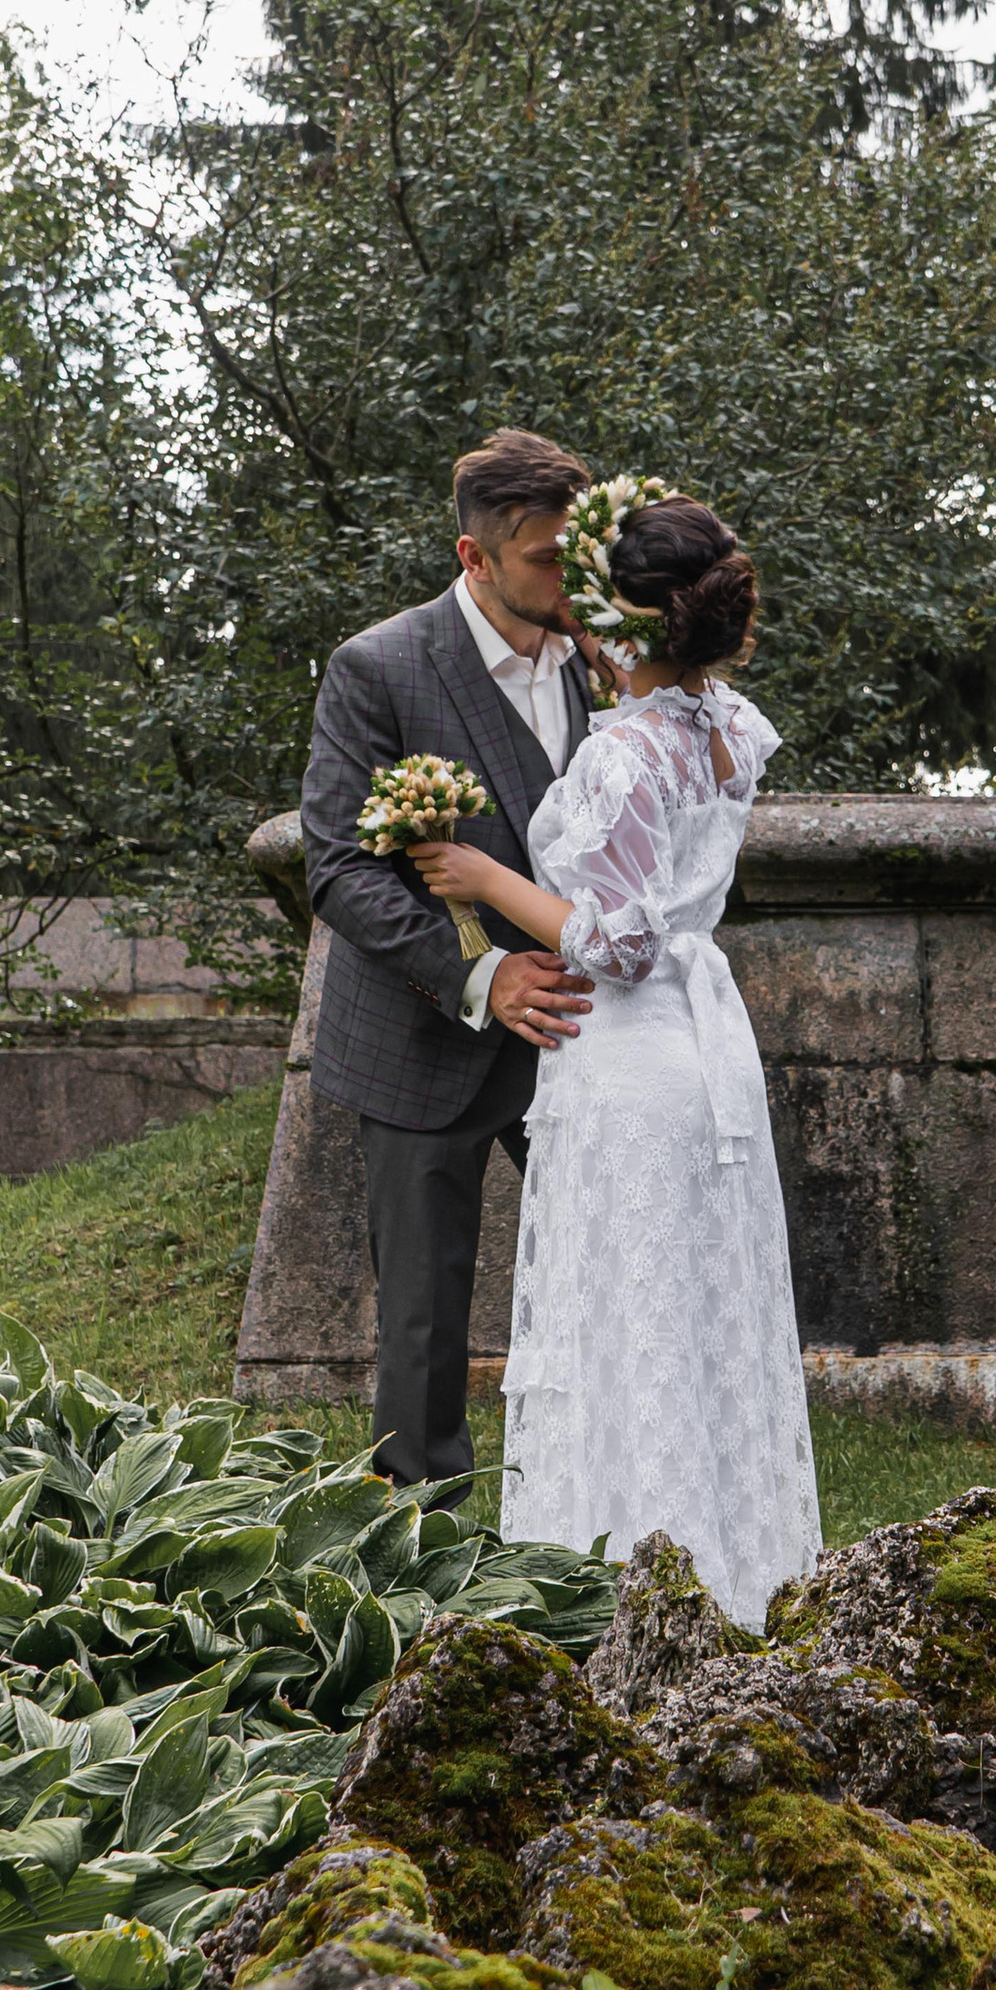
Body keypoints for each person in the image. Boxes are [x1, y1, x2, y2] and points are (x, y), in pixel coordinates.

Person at [410, 494, 822, 1623]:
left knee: (631, 1321)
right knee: (694, 1315)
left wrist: (484, 880)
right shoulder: (726, 725)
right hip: (703, 1055)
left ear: (617, 626)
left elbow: (626, 943)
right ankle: (724, 1574)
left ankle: (631, 1591)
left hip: (631, 1057)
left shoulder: (629, 755)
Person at [299, 432, 599, 1485]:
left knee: (605, 1282)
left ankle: (585, 1509)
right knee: (424, 1326)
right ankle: (417, 1564)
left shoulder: (594, 662)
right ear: (474, 559)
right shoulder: (378, 667)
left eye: (579, 549)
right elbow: (338, 868)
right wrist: (481, 975)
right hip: (422, 1041)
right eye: (545, 557)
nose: (571, 577)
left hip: (574, 1037)